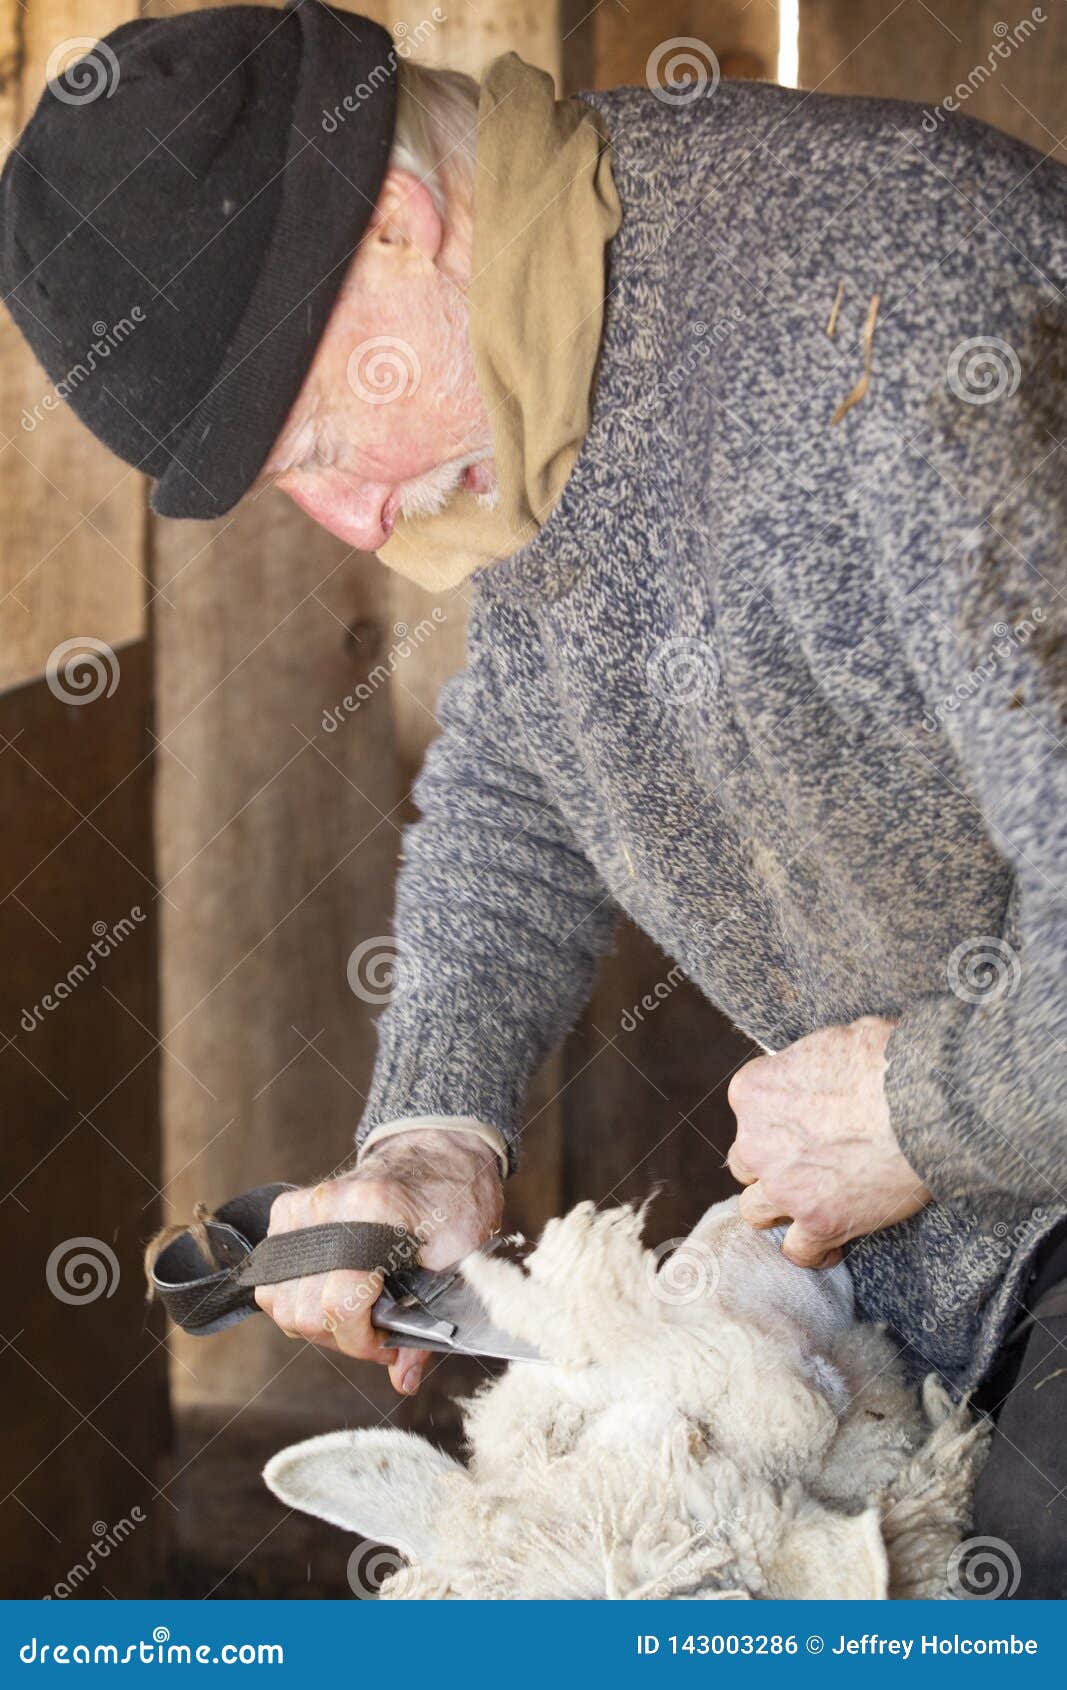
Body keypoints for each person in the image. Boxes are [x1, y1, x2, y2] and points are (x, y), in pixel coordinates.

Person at [3, 1, 1065, 1595]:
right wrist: (435, 1125)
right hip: (949, 1258)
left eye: (317, 441)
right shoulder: (532, 379)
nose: (353, 521)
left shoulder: (913, 312)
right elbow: (524, 775)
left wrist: (922, 1113)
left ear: (399, 222)